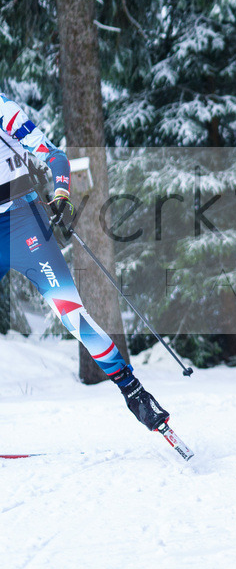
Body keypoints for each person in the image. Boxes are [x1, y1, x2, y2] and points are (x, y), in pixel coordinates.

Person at [0, 93, 169, 430]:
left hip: (22, 221)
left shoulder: (3, 110)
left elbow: (55, 156)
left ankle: (134, 392)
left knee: (72, 315)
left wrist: (61, 193)